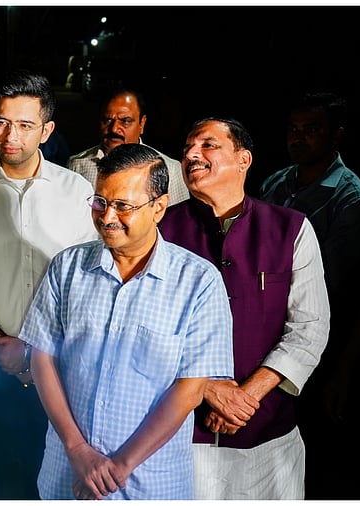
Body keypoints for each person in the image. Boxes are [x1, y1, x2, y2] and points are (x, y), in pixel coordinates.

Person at [19, 143, 234, 500]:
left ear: (159, 207)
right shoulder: (67, 268)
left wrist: (119, 466)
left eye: (123, 206)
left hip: (149, 483)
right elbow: (42, 358)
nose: (107, 217)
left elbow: (189, 390)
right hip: (66, 473)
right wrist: (77, 450)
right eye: (100, 202)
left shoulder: (198, 282)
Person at [0, 70, 98, 499]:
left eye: (25, 125)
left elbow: (87, 281)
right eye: (3, 122)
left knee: (56, 478)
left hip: (62, 366)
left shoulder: (77, 192)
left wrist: (37, 347)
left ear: (46, 130)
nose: (11, 135)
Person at [159, 117, 330, 500]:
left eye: (207, 145)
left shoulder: (291, 229)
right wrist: (206, 389)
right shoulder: (160, 232)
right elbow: (141, 332)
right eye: (187, 146)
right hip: (179, 435)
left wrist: (245, 397)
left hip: (267, 438)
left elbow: (309, 329)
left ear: (243, 159)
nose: (191, 154)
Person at [258, 92, 360, 498]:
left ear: (335, 135)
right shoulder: (277, 181)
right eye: (294, 129)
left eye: (312, 130)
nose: (300, 138)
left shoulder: (351, 199)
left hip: (316, 334)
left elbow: (331, 282)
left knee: (306, 442)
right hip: (264, 326)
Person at [67, 89, 188, 206]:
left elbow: (179, 221)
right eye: (108, 120)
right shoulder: (78, 165)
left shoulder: (170, 169)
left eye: (125, 121)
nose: (114, 128)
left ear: (142, 123)